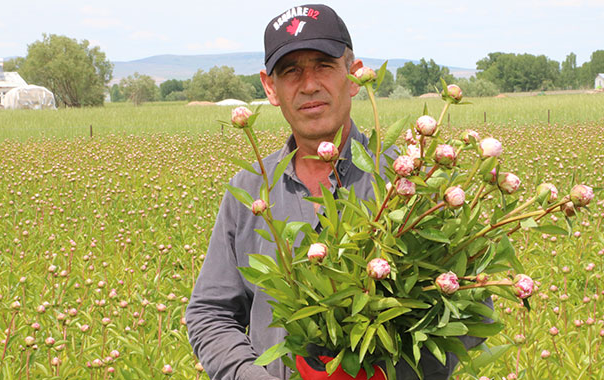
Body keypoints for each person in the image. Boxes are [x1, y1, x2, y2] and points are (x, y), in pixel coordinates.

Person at [186, 4, 483, 379]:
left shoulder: (410, 178)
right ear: (269, 87)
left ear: (354, 75)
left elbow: (475, 310)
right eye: (290, 71)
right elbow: (210, 313)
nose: (309, 84)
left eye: (324, 65)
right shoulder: (248, 191)